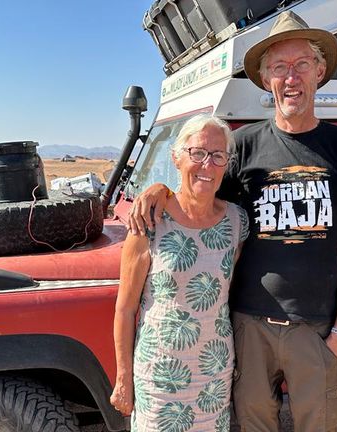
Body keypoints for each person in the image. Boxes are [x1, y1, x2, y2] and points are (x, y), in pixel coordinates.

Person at [129, 11, 337, 431]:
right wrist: (161, 190)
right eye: (279, 67)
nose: (290, 77)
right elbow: (200, 203)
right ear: (266, 78)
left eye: (300, 65)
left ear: (319, 72)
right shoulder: (241, 144)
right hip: (247, 325)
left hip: (315, 328)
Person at [110, 114, 249, 431]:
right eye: (197, 153)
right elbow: (126, 307)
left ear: (227, 163)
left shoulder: (237, 222)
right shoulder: (149, 220)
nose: (207, 165)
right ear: (176, 157)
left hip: (213, 373)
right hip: (159, 376)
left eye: (217, 156)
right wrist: (123, 379)